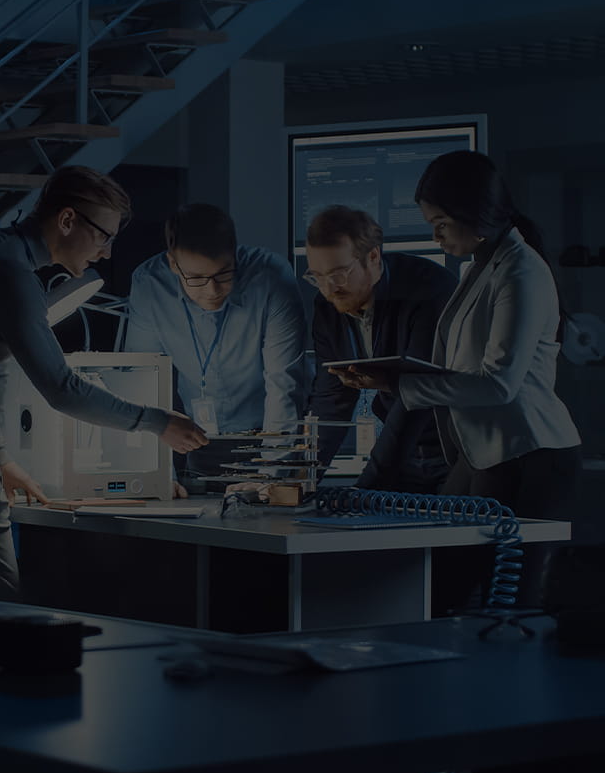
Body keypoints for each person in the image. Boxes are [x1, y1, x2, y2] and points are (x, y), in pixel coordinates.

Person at [0, 166, 208, 599]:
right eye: (103, 237)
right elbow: (61, 388)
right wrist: (157, 422)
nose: (107, 253)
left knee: (3, 600)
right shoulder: (7, 271)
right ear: (67, 220)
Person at [347, 150, 582, 611]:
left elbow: (499, 385)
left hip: (533, 454)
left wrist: (400, 386)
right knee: (442, 588)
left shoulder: (521, 270)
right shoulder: (479, 266)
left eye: (440, 223)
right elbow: (457, 367)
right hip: (483, 453)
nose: (433, 235)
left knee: (513, 601)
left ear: (474, 215)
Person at [124, 202, 307, 492]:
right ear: (173, 263)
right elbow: (142, 381)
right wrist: (159, 472)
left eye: (223, 274)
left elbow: (283, 383)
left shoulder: (271, 278)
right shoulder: (149, 283)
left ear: (234, 254)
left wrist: (271, 473)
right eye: (196, 278)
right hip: (190, 439)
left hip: (267, 435)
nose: (212, 291)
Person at [305, 205, 457, 492]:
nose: (328, 289)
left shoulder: (430, 290)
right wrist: (301, 481)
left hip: (453, 451)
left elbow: (416, 399)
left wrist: (364, 491)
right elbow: (331, 398)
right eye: (317, 276)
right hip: (402, 452)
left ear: (373, 257)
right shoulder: (328, 303)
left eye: (339, 274)